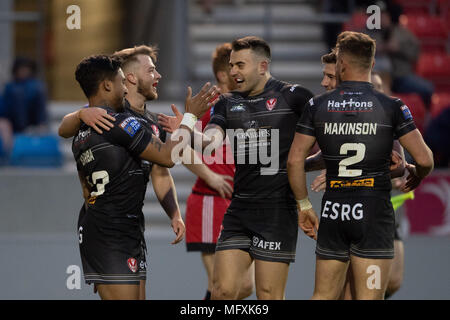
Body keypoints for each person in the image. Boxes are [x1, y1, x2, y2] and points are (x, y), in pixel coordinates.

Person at [287, 31, 434, 300]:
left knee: (322, 295)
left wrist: (304, 205)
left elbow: (295, 160)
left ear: (341, 64)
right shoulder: (391, 106)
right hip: (373, 214)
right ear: (373, 64)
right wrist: (417, 173)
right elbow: (425, 160)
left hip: (334, 212)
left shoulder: (318, 105)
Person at [70, 54, 216, 300]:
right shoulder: (121, 124)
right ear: (108, 85)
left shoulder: (81, 131)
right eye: (120, 82)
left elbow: (86, 189)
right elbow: (169, 157)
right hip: (112, 234)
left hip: (117, 231)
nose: (124, 87)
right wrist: (190, 117)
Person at [186, 36, 315, 300]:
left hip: (277, 212)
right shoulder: (227, 102)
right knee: (222, 291)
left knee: (267, 295)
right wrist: (188, 121)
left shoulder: (295, 97)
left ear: (262, 66)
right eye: (232, 65)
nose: (233, 71)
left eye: (240, 65)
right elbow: (210, 143)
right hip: (239, 210)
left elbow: (328, 138)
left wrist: (310, 166)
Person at [158, 43, 255, 300]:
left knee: (244, 287)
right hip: (211, 201)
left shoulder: (245, 105)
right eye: (236, 67)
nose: (240, 73)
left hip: (241, 203)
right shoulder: (210, 107)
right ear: (224, 75)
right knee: (221, 287)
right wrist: (209, 175)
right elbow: (180, 148)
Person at [1, 57, 48, 133]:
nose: (24, 71)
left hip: (33, 124)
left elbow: (40, 107)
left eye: (26, 69)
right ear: (16, 70)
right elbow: (4, 108)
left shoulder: (37, 86)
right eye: (21, 69)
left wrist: (41, 122)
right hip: (12, 123)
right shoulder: (10, 86)